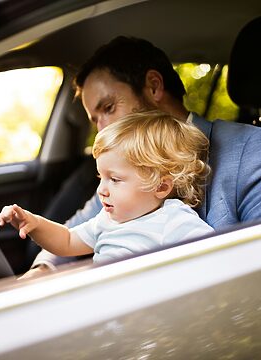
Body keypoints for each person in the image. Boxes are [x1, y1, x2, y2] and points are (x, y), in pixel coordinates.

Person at [28, 36, 261, 275]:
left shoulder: (252, 150)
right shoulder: (119, 178)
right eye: (96, 120)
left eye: (108, 108)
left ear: (153, 86)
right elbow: (70, 234)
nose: (103, 129)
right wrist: (40, 271)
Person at [0, 111, 214, 264]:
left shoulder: (174, 220)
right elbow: (67, 241)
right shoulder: (106, 220)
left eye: (115, 179)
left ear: (161, 186)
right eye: (101, 177)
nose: (102, 189)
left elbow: (216, 258)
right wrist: (34, 223)